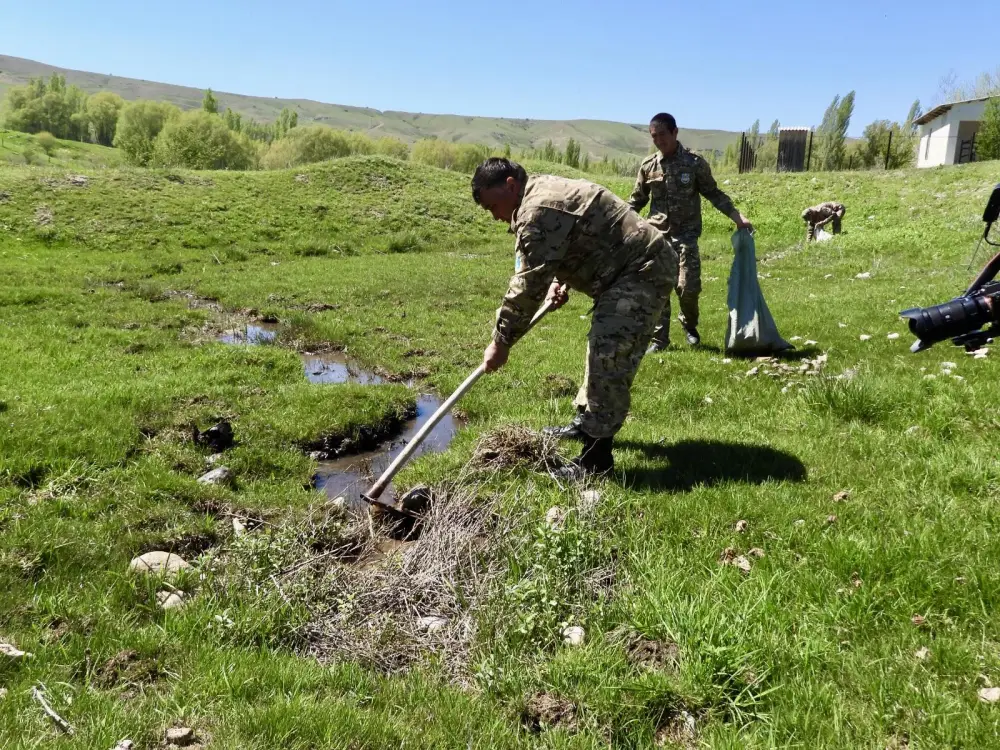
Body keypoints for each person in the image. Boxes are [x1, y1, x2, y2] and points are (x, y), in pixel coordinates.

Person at [471, 157, 678, 476]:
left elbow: (527, 287)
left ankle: (596, 463)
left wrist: (501, 341)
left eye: (492, 206)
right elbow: (579, 235)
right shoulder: (540, 191)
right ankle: (587, 425)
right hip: (624, 269)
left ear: (510, 186)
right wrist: (559, 280)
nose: (496, 216)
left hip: (641, 271)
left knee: (609, 355)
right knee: (600, 348)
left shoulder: (536, 210)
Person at [629, 112, 752, 350]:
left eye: (662, 135)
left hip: (686, 236)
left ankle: (689, 325)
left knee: (688, 288)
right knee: (658, 287)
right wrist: (619, 223)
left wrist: (737, 217)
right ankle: (659, 339)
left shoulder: (694, 164)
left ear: (675, 133)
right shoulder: (648, 166)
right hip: (657, 237)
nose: (658, 141)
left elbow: (713, 193)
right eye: (654, 137)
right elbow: (636, 201)